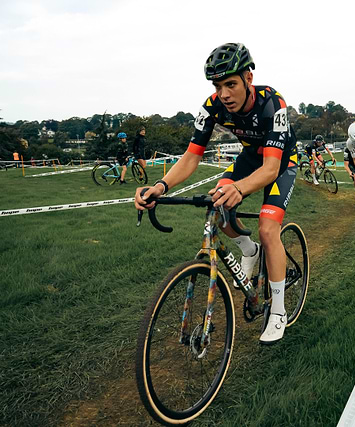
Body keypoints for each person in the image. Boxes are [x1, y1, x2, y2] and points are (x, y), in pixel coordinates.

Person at [135, 43, 298, 345]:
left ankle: (278, 310)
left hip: (281, 161)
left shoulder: (272, 103)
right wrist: (160, 186)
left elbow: (271, 169)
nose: (224, 94)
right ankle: (249, 250)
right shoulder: (212, 106)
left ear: (249, 79)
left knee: (267, 226)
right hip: (250, 157)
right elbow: (191, 156)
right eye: (218, 86)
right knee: (217, 202)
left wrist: (240, 187)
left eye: (231, 84)